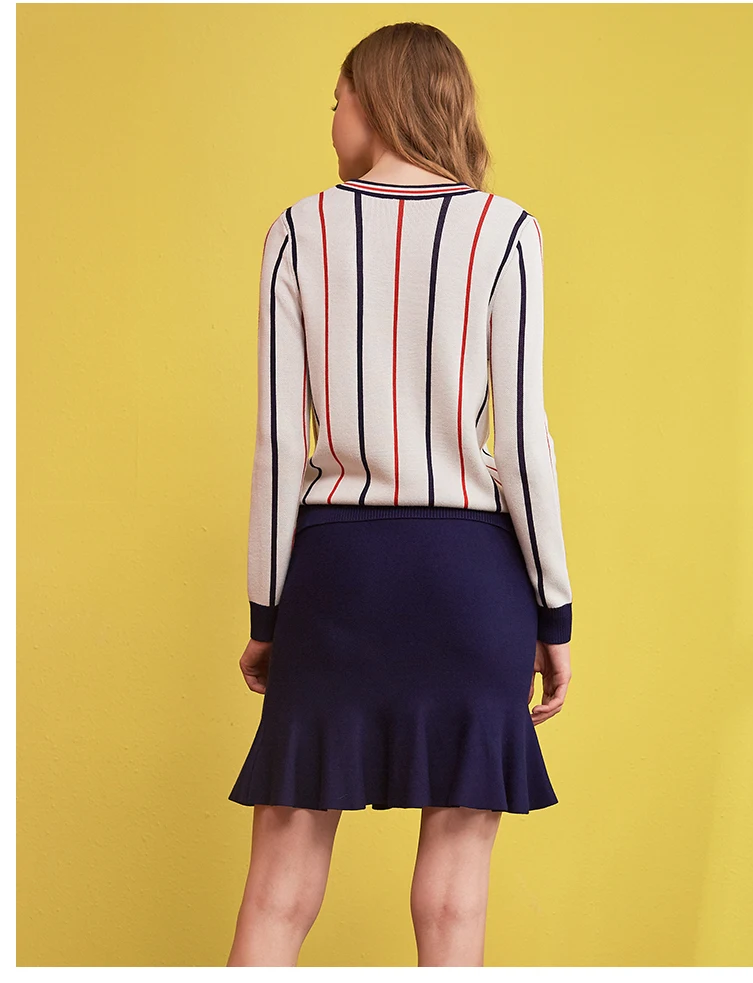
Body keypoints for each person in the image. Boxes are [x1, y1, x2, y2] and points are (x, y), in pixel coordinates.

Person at [226, 21, 574, 968]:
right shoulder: (505, 231)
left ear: (375, 100)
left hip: (337, 578)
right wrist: (554, 613)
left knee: (278, 890)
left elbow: (278, 444)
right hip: (471, 582)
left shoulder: (300, 230)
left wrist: (267, 611)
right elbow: (524, 445)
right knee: (456, 901)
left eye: (337, 98)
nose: (331, 117)